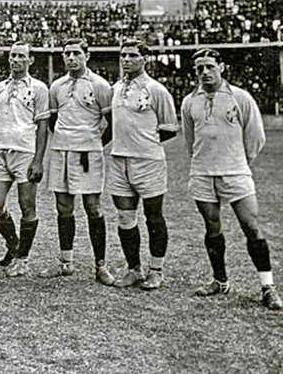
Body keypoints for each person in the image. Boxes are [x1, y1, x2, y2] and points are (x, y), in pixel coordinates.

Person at [181, 48, 282, 310]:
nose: (204, 72)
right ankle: (220, 280)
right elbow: (191, 140)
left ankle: (268, 286)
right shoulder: (189, 101)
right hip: (203, 173)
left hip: (235, 172)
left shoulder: (240, 97)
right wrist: (204, 162)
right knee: (212, 228)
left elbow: (256, 137)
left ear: (222, 67)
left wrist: (238, 162)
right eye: (199, 68)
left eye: (209, 66)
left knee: (251, 227)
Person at [39, 38, 115, 285]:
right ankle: (66, 262)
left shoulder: (100, 85)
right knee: (63, 207)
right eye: (67, 53)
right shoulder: (57, 86)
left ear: (87, 56)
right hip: (61, 151)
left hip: (87, 154)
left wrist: (91, 144)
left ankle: (100, 266)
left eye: (76, 53)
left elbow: (111, 124)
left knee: (92, 207)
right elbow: (52, 120)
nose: (71, 58)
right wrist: (66, 140)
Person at [108, 39, 179, 290]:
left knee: (153, 217)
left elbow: (170, 128)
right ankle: (134, 269)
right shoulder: (116, 88)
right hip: (119, 160)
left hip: (148, 161)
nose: (126, 59)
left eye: (133, 55)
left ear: (144, 59)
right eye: (123, 55)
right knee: (125, 218)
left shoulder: (156, 89)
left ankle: (156, 270)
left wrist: (145, 144)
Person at [0, 41, 50, 277]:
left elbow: (43, 126)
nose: (15, 60)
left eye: (21, 56)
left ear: (30, 60)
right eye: (12, 55)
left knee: (27, 206)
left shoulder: (40, 88)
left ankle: (22, 259)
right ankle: (14, 246)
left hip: (25, 153)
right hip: (1, 152)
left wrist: (38, 160)